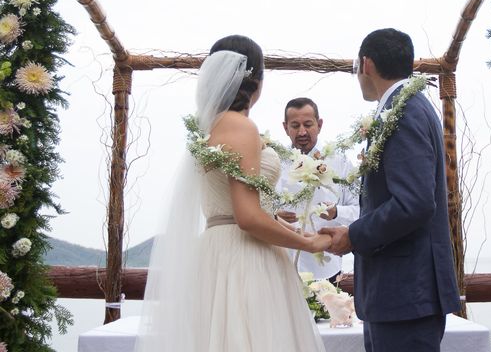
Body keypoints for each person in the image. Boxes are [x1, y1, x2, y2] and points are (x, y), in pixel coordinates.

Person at [135, 35, 329, 352]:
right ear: (258, 80)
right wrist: (308, 242)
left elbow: (234, 207)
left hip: (218, 253)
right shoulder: (239, 126)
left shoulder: (210, 126)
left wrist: (287, 228)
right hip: (244, 257)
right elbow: (247, 217)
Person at [320, 28, 460, 352]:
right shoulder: (408, 104)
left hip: (405, 291)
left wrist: (353, 235)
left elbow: (414, 202)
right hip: (401, 293)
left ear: (365, 64)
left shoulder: (404, 111)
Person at [276, 97, 359, 283]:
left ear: (319, 124)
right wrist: (275, 214)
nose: (302, 132)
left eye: (308, 124)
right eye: (295, 125)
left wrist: (337, 212)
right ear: (285, 127)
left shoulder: (340, 161)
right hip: (284, 266)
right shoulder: (276, 162)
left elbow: (361, 209)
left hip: (326, 267)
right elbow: (259, 208)